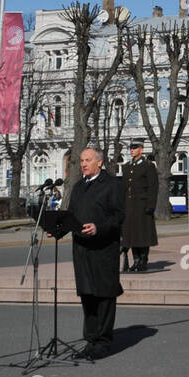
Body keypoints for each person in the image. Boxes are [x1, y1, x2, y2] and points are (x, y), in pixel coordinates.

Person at [56, 147, 124, 360]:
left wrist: (98, 227)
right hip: (82, 250)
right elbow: (72, 216)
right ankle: (91, 339)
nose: (83, 164)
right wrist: (57, 230)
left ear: (99, 162)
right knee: (87, 296)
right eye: (82, 160)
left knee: (103, 295)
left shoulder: (113, 185)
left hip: (103, 249)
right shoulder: (78, 187)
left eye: (88, 160)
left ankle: (103, 342)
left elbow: (119, 217)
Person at [120, 140, 158, 273]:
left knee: (143, 234)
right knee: (131, 234)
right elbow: (124, 188)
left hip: (142, 206)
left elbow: (153, 187)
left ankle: (143, 260)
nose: (132, 150)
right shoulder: (127, 166)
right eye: (131, 148)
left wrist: (150, 205)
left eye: (135, 148)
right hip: (129, 207)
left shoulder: (148, 166)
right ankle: (135, 260)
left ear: (141, 149)